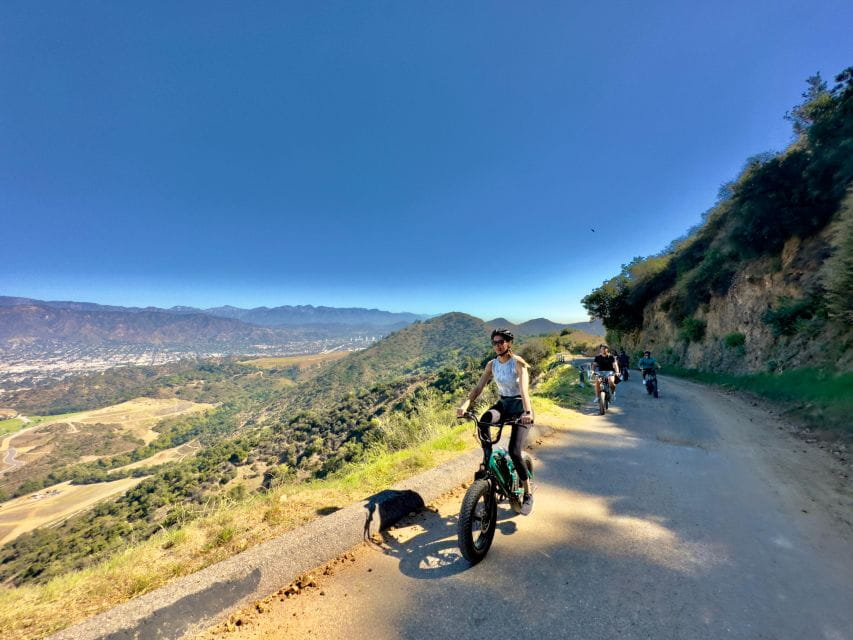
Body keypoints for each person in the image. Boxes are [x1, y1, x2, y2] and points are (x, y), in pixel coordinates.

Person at [457, 328, 535, 515]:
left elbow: (524, 390)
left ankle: (528, 493)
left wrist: (528, 411)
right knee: (484, 420)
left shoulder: (518, 363)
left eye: (501, 341)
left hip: (519, 407)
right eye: (495, 342)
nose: (498, 345)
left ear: (509, 343)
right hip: (503, 404)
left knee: (514, 452)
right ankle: (488, 462)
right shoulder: (491, 364)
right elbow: (478, 387)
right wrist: (465, 405)